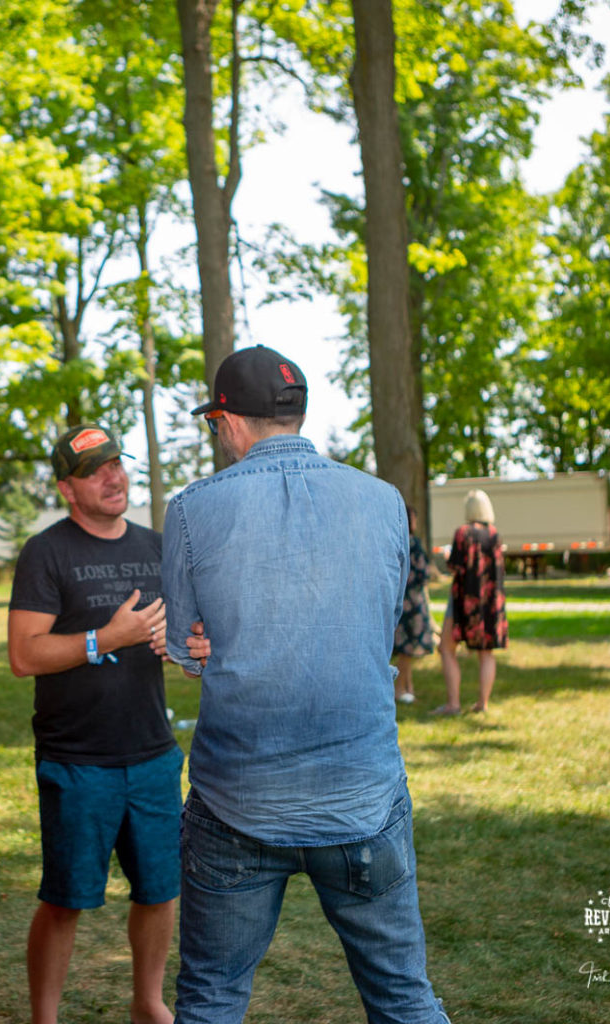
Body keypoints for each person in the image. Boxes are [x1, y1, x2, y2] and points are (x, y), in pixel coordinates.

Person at [161, 345, 450, 1024]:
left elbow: (184, 648)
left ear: (227, 420)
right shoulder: (384, 504)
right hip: (361, 796)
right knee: (404, 996)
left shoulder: (191, 509)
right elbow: (375, 624)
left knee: (209, 998)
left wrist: (215, 643)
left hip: (237, 799)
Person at [7, 424, 182, 1024]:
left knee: (160, 890)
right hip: (77, 760)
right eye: (95, 471)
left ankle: (147, 1001)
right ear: (67, 489)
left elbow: (188, 649)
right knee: (64, 900)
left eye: (117, 464)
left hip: (154, 753)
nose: (114, 477)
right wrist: (108, 638)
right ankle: (44, 1018)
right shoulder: (47, 552)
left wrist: (182, 645)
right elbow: (24, 655)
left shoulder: (158, 546)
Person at [432, 488, 508, 715]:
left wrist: (447, 557)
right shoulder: (494, 535)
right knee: (486, 654)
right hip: (490, 603)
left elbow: (455, 566)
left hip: (463, 601)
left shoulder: (463, 533)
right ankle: (483, 704)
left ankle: (453, 704)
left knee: (446, 649)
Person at [393, 504, 435, 703]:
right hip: (413, 603)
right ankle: (400, 689)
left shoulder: (393, 542)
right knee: (407, 651)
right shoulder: (414, 544)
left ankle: (408, 687)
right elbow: (423, 573)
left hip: (397, 602)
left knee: (404, 650)